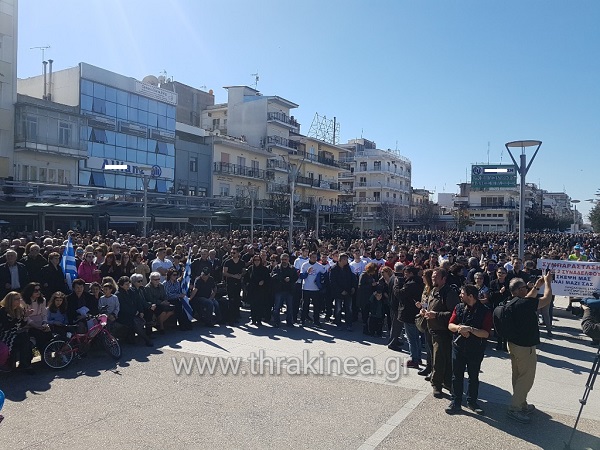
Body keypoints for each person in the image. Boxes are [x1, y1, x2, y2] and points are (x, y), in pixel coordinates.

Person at [505, 272, 553, 424]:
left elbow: (528, 298)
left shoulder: (512, 302)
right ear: (519, 290)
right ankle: (515, 408)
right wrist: (548, 283)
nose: (528, 288)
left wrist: (538, 286)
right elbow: (546, 300)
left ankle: (521, 403)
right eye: (525, 287)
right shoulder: (525, 304)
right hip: (525, 347)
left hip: (513, 345)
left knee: (518, 376)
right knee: (526, 378)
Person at [445, 284, 493, 415]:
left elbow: (486, 333)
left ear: (470, 296)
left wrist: (471, 330)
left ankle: (472, 402)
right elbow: (450, 325)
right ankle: (455, 401)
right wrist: (459, 328)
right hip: (458, 348)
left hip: (475, 349)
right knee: (456, 376)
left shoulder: (485, 311)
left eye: (462, 293)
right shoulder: (458, 307)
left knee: (473, 376)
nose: (460, 295)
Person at [420, 268, 460, 398]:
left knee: (440, 358)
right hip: (431, 328)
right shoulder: (433, 290)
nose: (433, 279)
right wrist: (424, 311)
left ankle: (437, 384)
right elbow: (430, 306)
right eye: (432, 277)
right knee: (435, 356)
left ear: (444, 279)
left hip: (442, 331)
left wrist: (436, 315)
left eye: (436, 277)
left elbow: (454, 313)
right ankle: (442, 380)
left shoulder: (449, 293)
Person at [398, 266, 424, 368]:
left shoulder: (410, 284)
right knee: (416, 337)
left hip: (409, 313)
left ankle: (414, 359)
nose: (405, 275)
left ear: (411, 273)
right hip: (416, 312)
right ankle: (418, 357)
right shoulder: (420, 283)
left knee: (411, 338)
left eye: (406, 273)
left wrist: (396, 286)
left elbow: (400, 294)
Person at [0, 292, 32, 372]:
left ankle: (25, 364)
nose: (19, 301)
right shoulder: (3, 311)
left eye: (19, 299)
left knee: (25, 337)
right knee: (21, 339)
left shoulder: (19, 309)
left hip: (16, 332)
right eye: (16, 299)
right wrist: (19, 319)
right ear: (10, 300)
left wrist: (26, 316)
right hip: (5, 333)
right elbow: (7, 326)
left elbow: (21, 325)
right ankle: (19, 363)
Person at [116, 276, 153, 346]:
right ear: (121, 285)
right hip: (125, 315)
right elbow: (123, 307)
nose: (128, 286)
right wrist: (135, 312)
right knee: (134, 323)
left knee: (146, 314)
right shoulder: (118, 295)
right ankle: (146, 339)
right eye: (126, 284)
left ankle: (147, 334)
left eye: (128, 284)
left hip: (135, 312)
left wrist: (141, 311)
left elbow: (138, 301)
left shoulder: (132, 291)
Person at [299, 251, 328, 327]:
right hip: (306, 288)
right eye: (313, 257)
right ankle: (303, 319)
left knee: (316, 306)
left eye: (315, 257)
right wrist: (307, 272)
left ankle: (316, 320)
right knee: (305, 305)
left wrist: (322, 284)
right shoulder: (305, 265)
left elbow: (325, 274)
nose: (314, 259)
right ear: (309, 257)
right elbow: (302, 276)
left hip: (315, 289)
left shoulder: (319, 266)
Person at [21, 282, 52, 352]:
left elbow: (44, 314)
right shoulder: (23, 301)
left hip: (40, 322)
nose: (38, 292)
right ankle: (43, 353)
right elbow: (25, 316)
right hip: (28, 324)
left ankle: (48, 354)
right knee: (39, 334)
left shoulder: (43, 300)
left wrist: (44, 323)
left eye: (39, 290)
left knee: (48, 332)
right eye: (35, 291)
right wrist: (35, 325)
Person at [270, 254, 298, 328]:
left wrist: (290, 279)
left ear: (288, 260)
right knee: (277, 307)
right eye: (282, 259)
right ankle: (277, 322)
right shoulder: (277, 267)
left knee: (290, 308)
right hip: (279, 290)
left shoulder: (292, 268)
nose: (284, 261)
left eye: (285, 259)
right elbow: (273, 276)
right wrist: (281, 279)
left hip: (289, 290)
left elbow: (296, 277)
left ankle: (289, 322)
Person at [329, 253, 355, 331]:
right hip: (338, 293)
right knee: (338, 308)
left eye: (347, 259)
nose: (346, 261)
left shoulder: (348, 268)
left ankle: (349, 324)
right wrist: (340, 290)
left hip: (348, 292)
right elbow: (332, 282)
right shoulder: (333, 269)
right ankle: (338, 323)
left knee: (349, 308)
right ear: (339, 260)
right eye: (344, 259)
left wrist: (353, 287)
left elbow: (352, 278)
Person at [244, 255, 271, 326]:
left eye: (258, 260)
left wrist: (263, 282)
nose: (257, 261)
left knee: (260, 306)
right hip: (252, 290)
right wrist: (247, 286)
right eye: (255, 260)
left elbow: (268, 279)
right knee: (253, 306)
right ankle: (253, 320)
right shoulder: (250, 269)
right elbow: (246, 279)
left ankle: (259, 320)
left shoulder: (264, 269)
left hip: (261, 290)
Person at [222, 247, 245, 324]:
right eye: (231, 253)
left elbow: (243, 271)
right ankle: (231, 318)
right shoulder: (227, 262)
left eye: (234, 253)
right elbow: (224, 272)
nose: (232, 254)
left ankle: (236, 315)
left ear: (238, 253)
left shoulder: (242, 262)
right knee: (231, 300)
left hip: (238, 283)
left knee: (237, 299)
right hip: (230, 283)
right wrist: (233, 276)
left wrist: (240, 275)